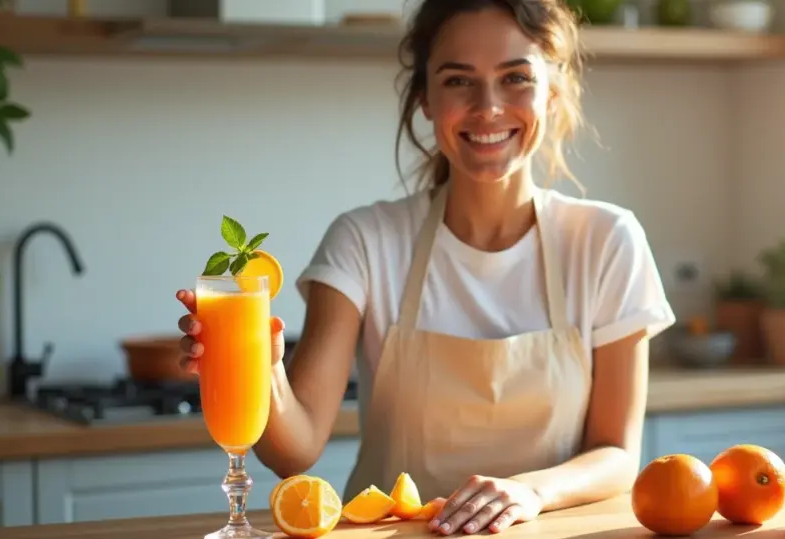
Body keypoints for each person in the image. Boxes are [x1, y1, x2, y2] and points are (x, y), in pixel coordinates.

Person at [176, 0, 675, 535]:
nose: (488, 107)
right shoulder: (365, 242)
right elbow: (293, 453)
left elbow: (619, 453)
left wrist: (531, 490)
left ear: (552, 92)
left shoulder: (606, 242)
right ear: (425, 99)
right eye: (459, 81)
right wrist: (264, 367)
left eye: (516, 78)